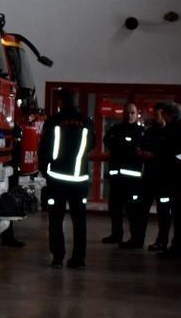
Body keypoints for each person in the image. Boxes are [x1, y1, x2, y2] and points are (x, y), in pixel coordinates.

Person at [38, 89, 96, 269]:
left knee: (56, 219)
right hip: (79, 180)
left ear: (60, 102)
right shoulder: (86, 122)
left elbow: (44, 149)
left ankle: (57, 257)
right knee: (80, 221)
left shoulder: (53, 121)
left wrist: (45, 171)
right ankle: (78, 259)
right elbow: (91, 145)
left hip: (57, 180)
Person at [145, 101, 181, 258]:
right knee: (178, 214)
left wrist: (159, 156)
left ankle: (178, 248)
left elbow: (179, 155)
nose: (162, 117)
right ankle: (177, 246)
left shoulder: (175, 133)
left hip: (174, 180)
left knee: (179, 214)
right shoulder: (178, 131)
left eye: (165, 114)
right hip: (176, 179)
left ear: (171, 115)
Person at [101, 102, 147, 248]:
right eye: (127, 112)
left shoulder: (141, 131)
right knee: (115, 209)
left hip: (133, 181)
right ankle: (116, 234)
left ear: (137, 114)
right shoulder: (115, 129)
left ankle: (135, 238)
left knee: (133, 211)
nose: (129, 115)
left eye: (132, 113)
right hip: (116, 178)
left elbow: (139, 149)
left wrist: (122, 146)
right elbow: (107, 141)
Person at [140, 104, 172, 251]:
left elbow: (174, 155)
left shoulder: (170, 134)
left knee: (164, 212)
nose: (155, 117)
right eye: (154, 114)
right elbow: (142, 146)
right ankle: (138, 238)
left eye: (158, 114)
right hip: (148, 178)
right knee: (142, 210)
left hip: (163, 180)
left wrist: (154, 155)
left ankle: (162, 241)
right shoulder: (149, 132)